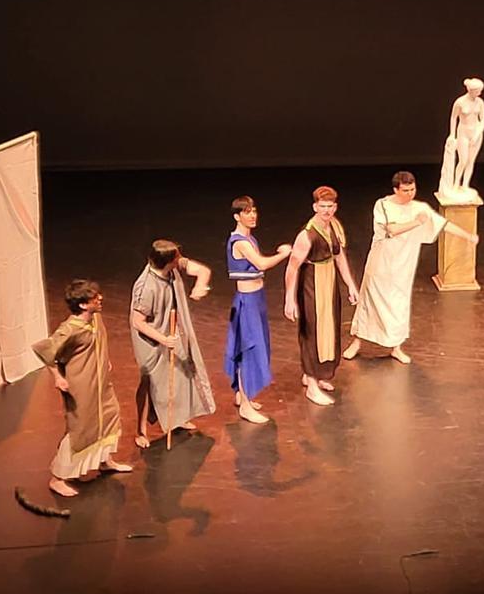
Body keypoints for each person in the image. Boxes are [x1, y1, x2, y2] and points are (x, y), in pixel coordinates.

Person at [345, 171, 477, 364]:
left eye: (412, 189)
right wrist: (417, 222)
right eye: (405, 190)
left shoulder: (420, 207)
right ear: (396, 190)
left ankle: (396, 347)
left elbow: (443, 225)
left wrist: (468, 236)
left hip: (403, 266)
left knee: (399, 303)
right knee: (370, 301)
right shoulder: (383, 205)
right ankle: (357, 342)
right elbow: (392, 230)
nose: (409, 194)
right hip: (381, 263)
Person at [33, 279, 132, 499]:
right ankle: (57, 478)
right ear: (83, 305)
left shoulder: (95, 318)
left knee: (108, 417)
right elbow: (45, 351)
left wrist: (104, 360)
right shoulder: (69, 329)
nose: (100, 299)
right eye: (94, 298)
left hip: (100, 381)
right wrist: (58, 377)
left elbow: (97, 343)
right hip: (81, 384)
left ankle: (104, 461)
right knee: (81, 428)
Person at [130, 240, 215, 448]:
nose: (181, 259)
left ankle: (177, 418)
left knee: (179, 374)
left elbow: (201, 270)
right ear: (168, 262)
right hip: (151, 339)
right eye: (177, 257)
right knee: (149, 382)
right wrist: (163, 339)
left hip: (172, 330)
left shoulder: (172, 267)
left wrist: (201, 284)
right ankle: (141, 430)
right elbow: (137, 321)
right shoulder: (146, 287)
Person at [284, 186, 359, 405]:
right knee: (313, 331)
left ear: (335, 207)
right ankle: (312, 385)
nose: (326, 211)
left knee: (329, 328)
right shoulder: (306, 235)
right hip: (311, 284)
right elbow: (292, 267)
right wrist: (290, 298)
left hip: (329, 282)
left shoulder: (334, 227)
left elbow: (339, 257)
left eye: (330, 207)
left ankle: (314, 375)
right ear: (315, 206)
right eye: (322, 207)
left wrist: (350, 285)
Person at [223, 196, 292, 425]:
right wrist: (283, 254)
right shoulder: (240, 242)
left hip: (257, 298)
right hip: (247, 301)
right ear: (237, 216)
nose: (252, 215)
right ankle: (244, 404)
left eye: (253, 211)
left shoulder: (249, 238)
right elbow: (261, 264)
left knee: (253, 345)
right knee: (248, 349)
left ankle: (244, 396)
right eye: (247, 212)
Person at [438, 77, 484, 200]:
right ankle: (456, 183)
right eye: (478, 91)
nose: (479, 93)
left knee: (471, 161)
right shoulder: (460, 102)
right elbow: (453, 118)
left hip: (475, 133)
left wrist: (478, 133)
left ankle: (465, 184)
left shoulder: (480, 102)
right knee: (463, 160)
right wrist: (452, 134)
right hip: (463, 132)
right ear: (471, 90)